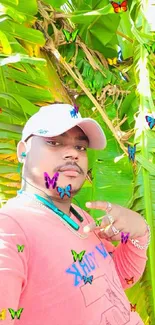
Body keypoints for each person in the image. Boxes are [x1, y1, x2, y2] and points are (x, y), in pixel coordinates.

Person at [0, 103, 150, 325]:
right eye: (54, 142)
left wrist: (139, 233)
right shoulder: (10, 229)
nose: (73, 153)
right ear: (23, 151)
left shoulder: (80, 216)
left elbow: (113, 279)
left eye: (80, 147)